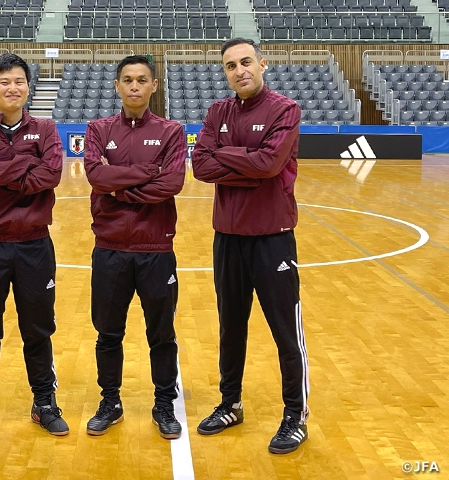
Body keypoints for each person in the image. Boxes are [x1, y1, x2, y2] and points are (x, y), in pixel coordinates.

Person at [191, 38, 309, 454]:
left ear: (262, 63)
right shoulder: (217, 111)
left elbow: (271, 164)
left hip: (273, 238)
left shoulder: (285, 109)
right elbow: (201, 165)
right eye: (229, 66)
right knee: (231, 326)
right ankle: (230, 403)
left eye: (245, 62)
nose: (238, 70)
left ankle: (295, 416)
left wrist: (228, 155)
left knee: (284, 332)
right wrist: (248, 159)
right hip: (227, 237)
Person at [0, 53, 68, 440]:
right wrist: (24, 163)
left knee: (38, 328)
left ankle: (44, 403)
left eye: (19, 81)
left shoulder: (47, 129)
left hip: (34, 244)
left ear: (28, 88)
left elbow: (51, 173)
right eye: (4, 82)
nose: (12, 87)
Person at [83, 55, 187, 439]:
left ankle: (164, 403)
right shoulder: (97, 128)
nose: (134, 86)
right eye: (127, 80)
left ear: (153, 86)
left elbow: (172, 183)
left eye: (142, 80)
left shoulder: (171, 131)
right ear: (116, 86)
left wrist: (117, 185)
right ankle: (110, 401)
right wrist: (147, 174)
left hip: (156, 248)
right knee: (108, 332)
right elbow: (95, 175)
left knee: (161, 334)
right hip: (109, 246)